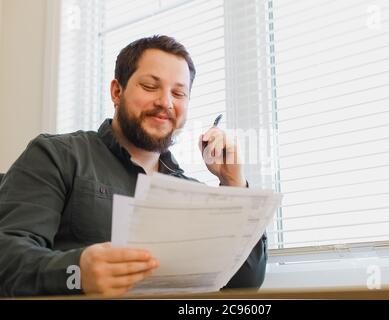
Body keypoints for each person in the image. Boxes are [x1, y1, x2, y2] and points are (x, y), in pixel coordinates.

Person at [0, 35, 267, 297]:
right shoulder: (57, 155)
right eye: (150, 87)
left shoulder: (192, 194)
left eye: (178, 92)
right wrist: (77, 272)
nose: (166, 102)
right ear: (117, 91)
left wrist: (234, 185)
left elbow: (243, 284)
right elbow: (7, 258)